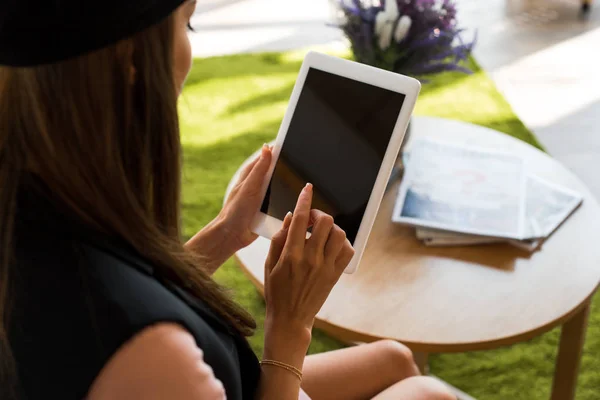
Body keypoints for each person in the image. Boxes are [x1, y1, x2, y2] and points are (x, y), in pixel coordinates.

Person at [0, 1, 456, 399]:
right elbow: (138, 313)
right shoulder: (154, 351)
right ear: (131, 59)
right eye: (188, 25)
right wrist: (290, 325)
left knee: (396, 360)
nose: (189, 53)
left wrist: (225, 233)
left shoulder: (34, 206)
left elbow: (131, 288)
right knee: (430, 392)